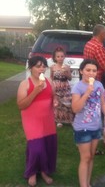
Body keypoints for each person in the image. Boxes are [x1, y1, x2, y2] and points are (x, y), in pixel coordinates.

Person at [71, 59, 105, 187]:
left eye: (94, 71)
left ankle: (87, 183)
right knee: (85, 157)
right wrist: (87, 92)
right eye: (88, 70)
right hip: (82, 127)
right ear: (81, 71)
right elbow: (75, 109)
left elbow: (102, 103)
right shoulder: (77, 87)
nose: (91, 73)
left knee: (91, 157)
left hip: (96, 126)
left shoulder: (99, 85)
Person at [17, 56, 57, 186]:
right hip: (31, 121)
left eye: (43, 66)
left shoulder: (49, 81)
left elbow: (53, 96)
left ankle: (44, 171)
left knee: (47, 146)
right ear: (31, 68)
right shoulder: (25, 84)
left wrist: (55, 101)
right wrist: (36, 90)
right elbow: (21, 105)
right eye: (38, 66)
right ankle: (32, 172)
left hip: (47, 120)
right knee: (36, 148)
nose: (42, 68)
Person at [50, 47, 74, 127]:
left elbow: (70, 78)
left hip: (65, 87)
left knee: (68, 102)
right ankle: (59, 120)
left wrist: (66, 73)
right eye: (58, 56)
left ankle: (70, 119)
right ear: (55, 58)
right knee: (58, 103)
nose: (60, 58)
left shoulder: (67, 67)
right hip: (56, 87)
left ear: (64, 57)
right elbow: (51, 78)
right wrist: (52, 86)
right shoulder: (52, 67)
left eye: (62, 56)